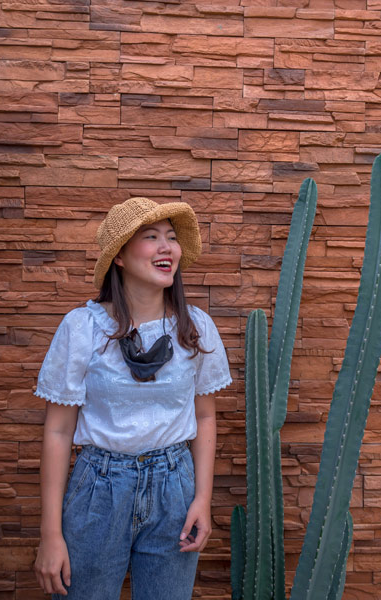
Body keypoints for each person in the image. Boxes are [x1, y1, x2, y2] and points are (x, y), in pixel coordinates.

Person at [32, 197, 232, 599]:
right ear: (119, 256)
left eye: (171, 238)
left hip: (175, 488)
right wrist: (50, 533)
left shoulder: (195, 328)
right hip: (98, 489)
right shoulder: (83, 328)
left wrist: (202, 499)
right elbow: (58, 431)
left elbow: (205, 417)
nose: (167, 247)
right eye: (151, 237)